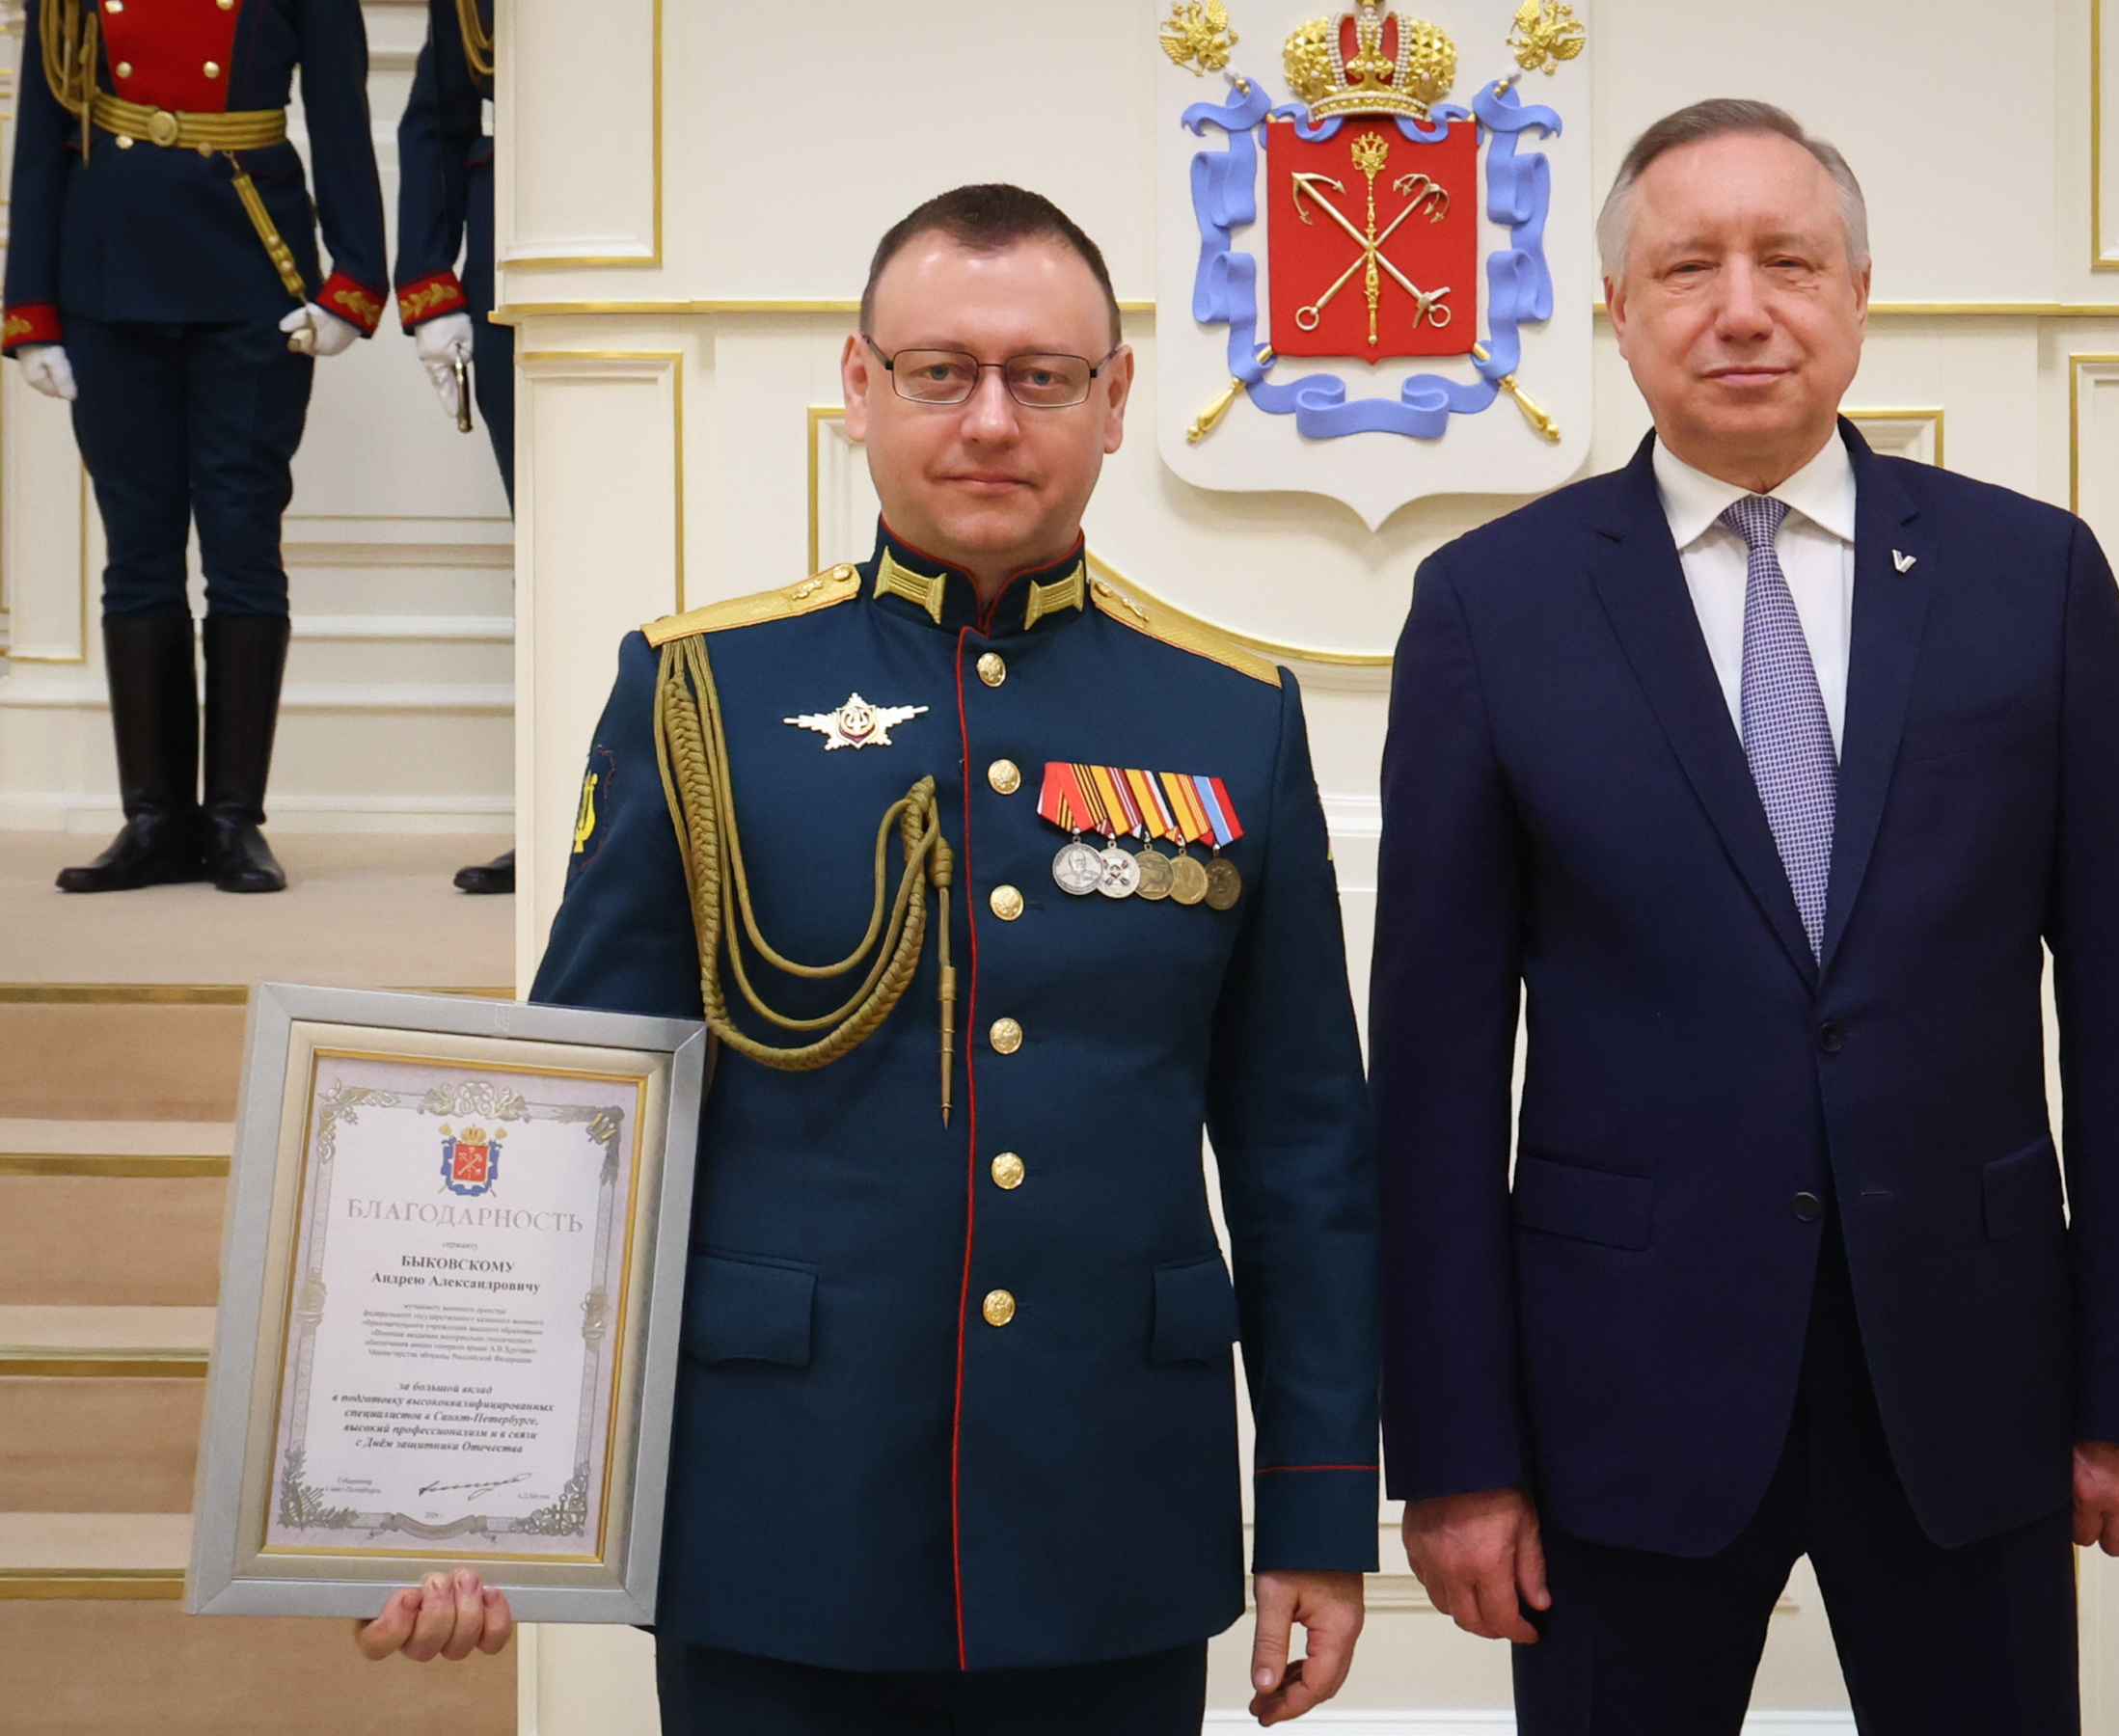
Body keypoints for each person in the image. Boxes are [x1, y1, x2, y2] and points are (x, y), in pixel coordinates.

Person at [355, 183, 1381, 1735]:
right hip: (780, 1512)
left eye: (1043, 376)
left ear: (1115, 401)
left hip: (1109, 1513)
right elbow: (574, 1129)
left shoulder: (1231, 716)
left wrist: (1316, 1502)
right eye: (939, 372)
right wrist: (471, 1488)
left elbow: (1303, 1145)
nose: (991, 419)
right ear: (859, 387)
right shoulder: (702, 696)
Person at [1372, 99, 2119, 1734]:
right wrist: (1458, 1453)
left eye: (1790, 262)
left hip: (1972, 1376)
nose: (1742, 309)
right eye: (1689, 267)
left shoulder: (2032, 579)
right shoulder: (1494, 606)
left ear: (1860, 292)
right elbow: (1434, 1071)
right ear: (1618, 310)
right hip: (1622, 1395)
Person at [5, 0, 389, 895]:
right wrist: (31, 310)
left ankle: (233, 821)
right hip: (106, 270)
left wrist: (353, 282)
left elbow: (340, 114)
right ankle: (155, 821)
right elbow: (43, 130)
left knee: (242, 544)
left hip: (252, 270)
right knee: (137, 552)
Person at [393, 0, 517, 897]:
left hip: (683, 257)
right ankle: (565, 808)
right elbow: (439, 117)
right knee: (545, 559)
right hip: (513, 267)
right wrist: (430, 282)